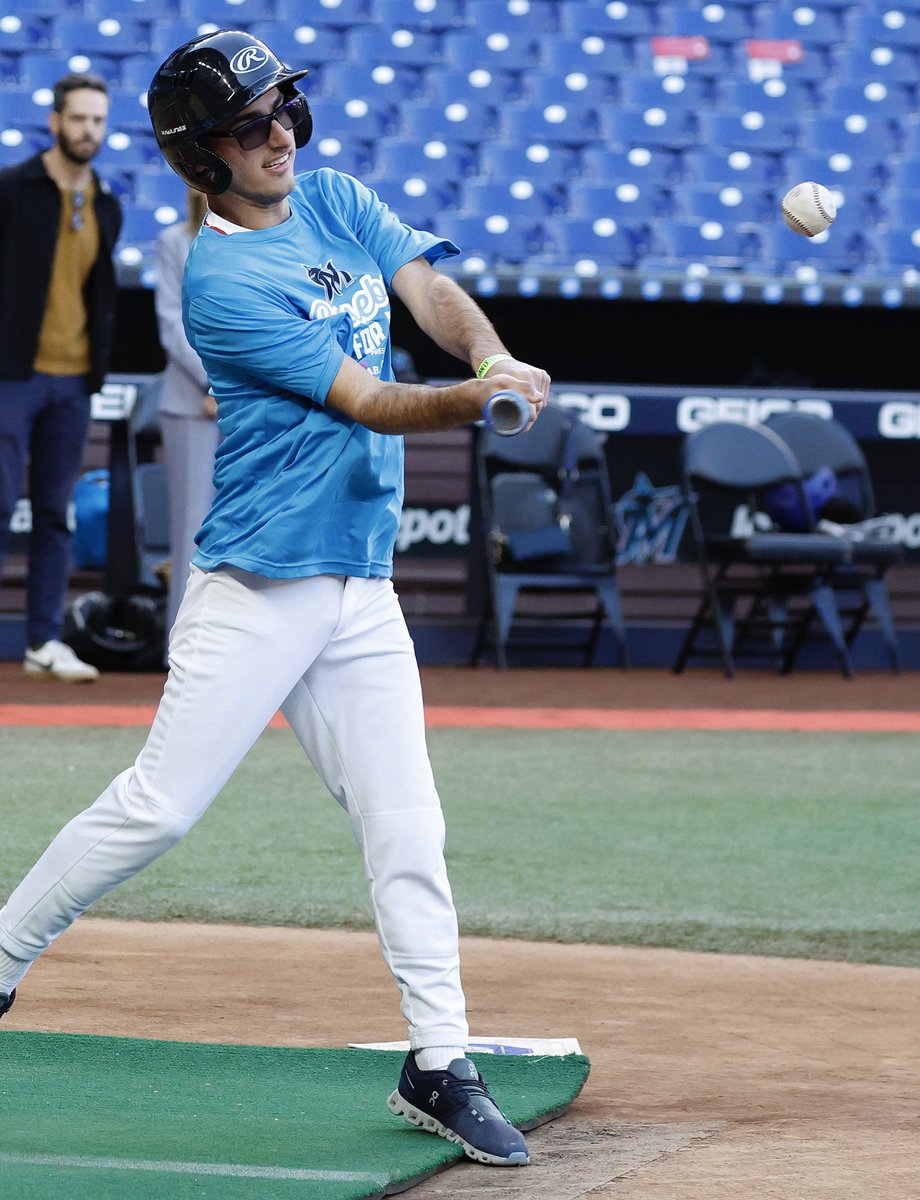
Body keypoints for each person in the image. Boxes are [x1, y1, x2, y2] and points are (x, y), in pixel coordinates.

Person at [0, 30, 549, 1168]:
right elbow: (372, 402)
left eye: (285, 110)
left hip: (358, 583)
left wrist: (488, 353)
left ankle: (439, 1062)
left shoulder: (335, 194)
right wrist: (475, 399)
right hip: (258, 586)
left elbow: (427, 289)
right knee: (159, 808)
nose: (281, 134)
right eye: (252, 126)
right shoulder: (222, 278)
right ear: (203, 157)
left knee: (408, 822)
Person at [0, 73, 123, 682]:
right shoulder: (13, 188)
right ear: (54, 121)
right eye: (78, 119)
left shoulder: (107, 201)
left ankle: (43, 640)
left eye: (98, 121)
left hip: (73, 381)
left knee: (56, 513)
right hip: (11, 375)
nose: (88, 131)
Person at [154, 187, 220, 649]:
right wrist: (216, 381)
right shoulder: (173, 242)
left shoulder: (249, 237)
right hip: (190, 405)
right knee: (191, 530)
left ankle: (231, 647)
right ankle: (182, 647)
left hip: (247, 404)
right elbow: (172, 323)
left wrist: (231, 388)